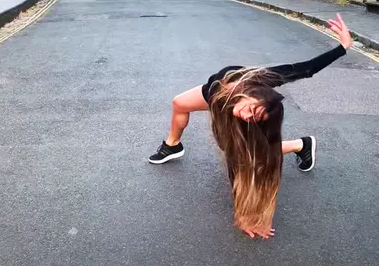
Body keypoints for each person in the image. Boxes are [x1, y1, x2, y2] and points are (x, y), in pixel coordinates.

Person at [148, 14, 353, 239]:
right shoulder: (257, 80)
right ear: (251, 93)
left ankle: (300, 145)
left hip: (222, 102)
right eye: (250, 110)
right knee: (179, 103)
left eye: (253, 118)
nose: (245, 117)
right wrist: (343, 46)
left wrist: (244, 213)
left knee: (245, 154)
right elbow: (306, 68)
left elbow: (236, 166)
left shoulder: (240, 115)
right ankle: (173, 145)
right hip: (213, 92)